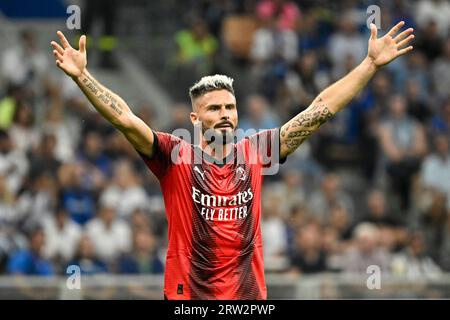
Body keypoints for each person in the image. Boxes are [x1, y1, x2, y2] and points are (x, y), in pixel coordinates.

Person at [51, 21, 414, 300]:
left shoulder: (257, 151)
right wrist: (83, 77)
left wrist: (369, 65)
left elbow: (319, 111)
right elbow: (124, 118)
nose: (225, 113)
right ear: (195, 119)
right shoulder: (174, 156)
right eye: (214, 108)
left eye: (230, 106)